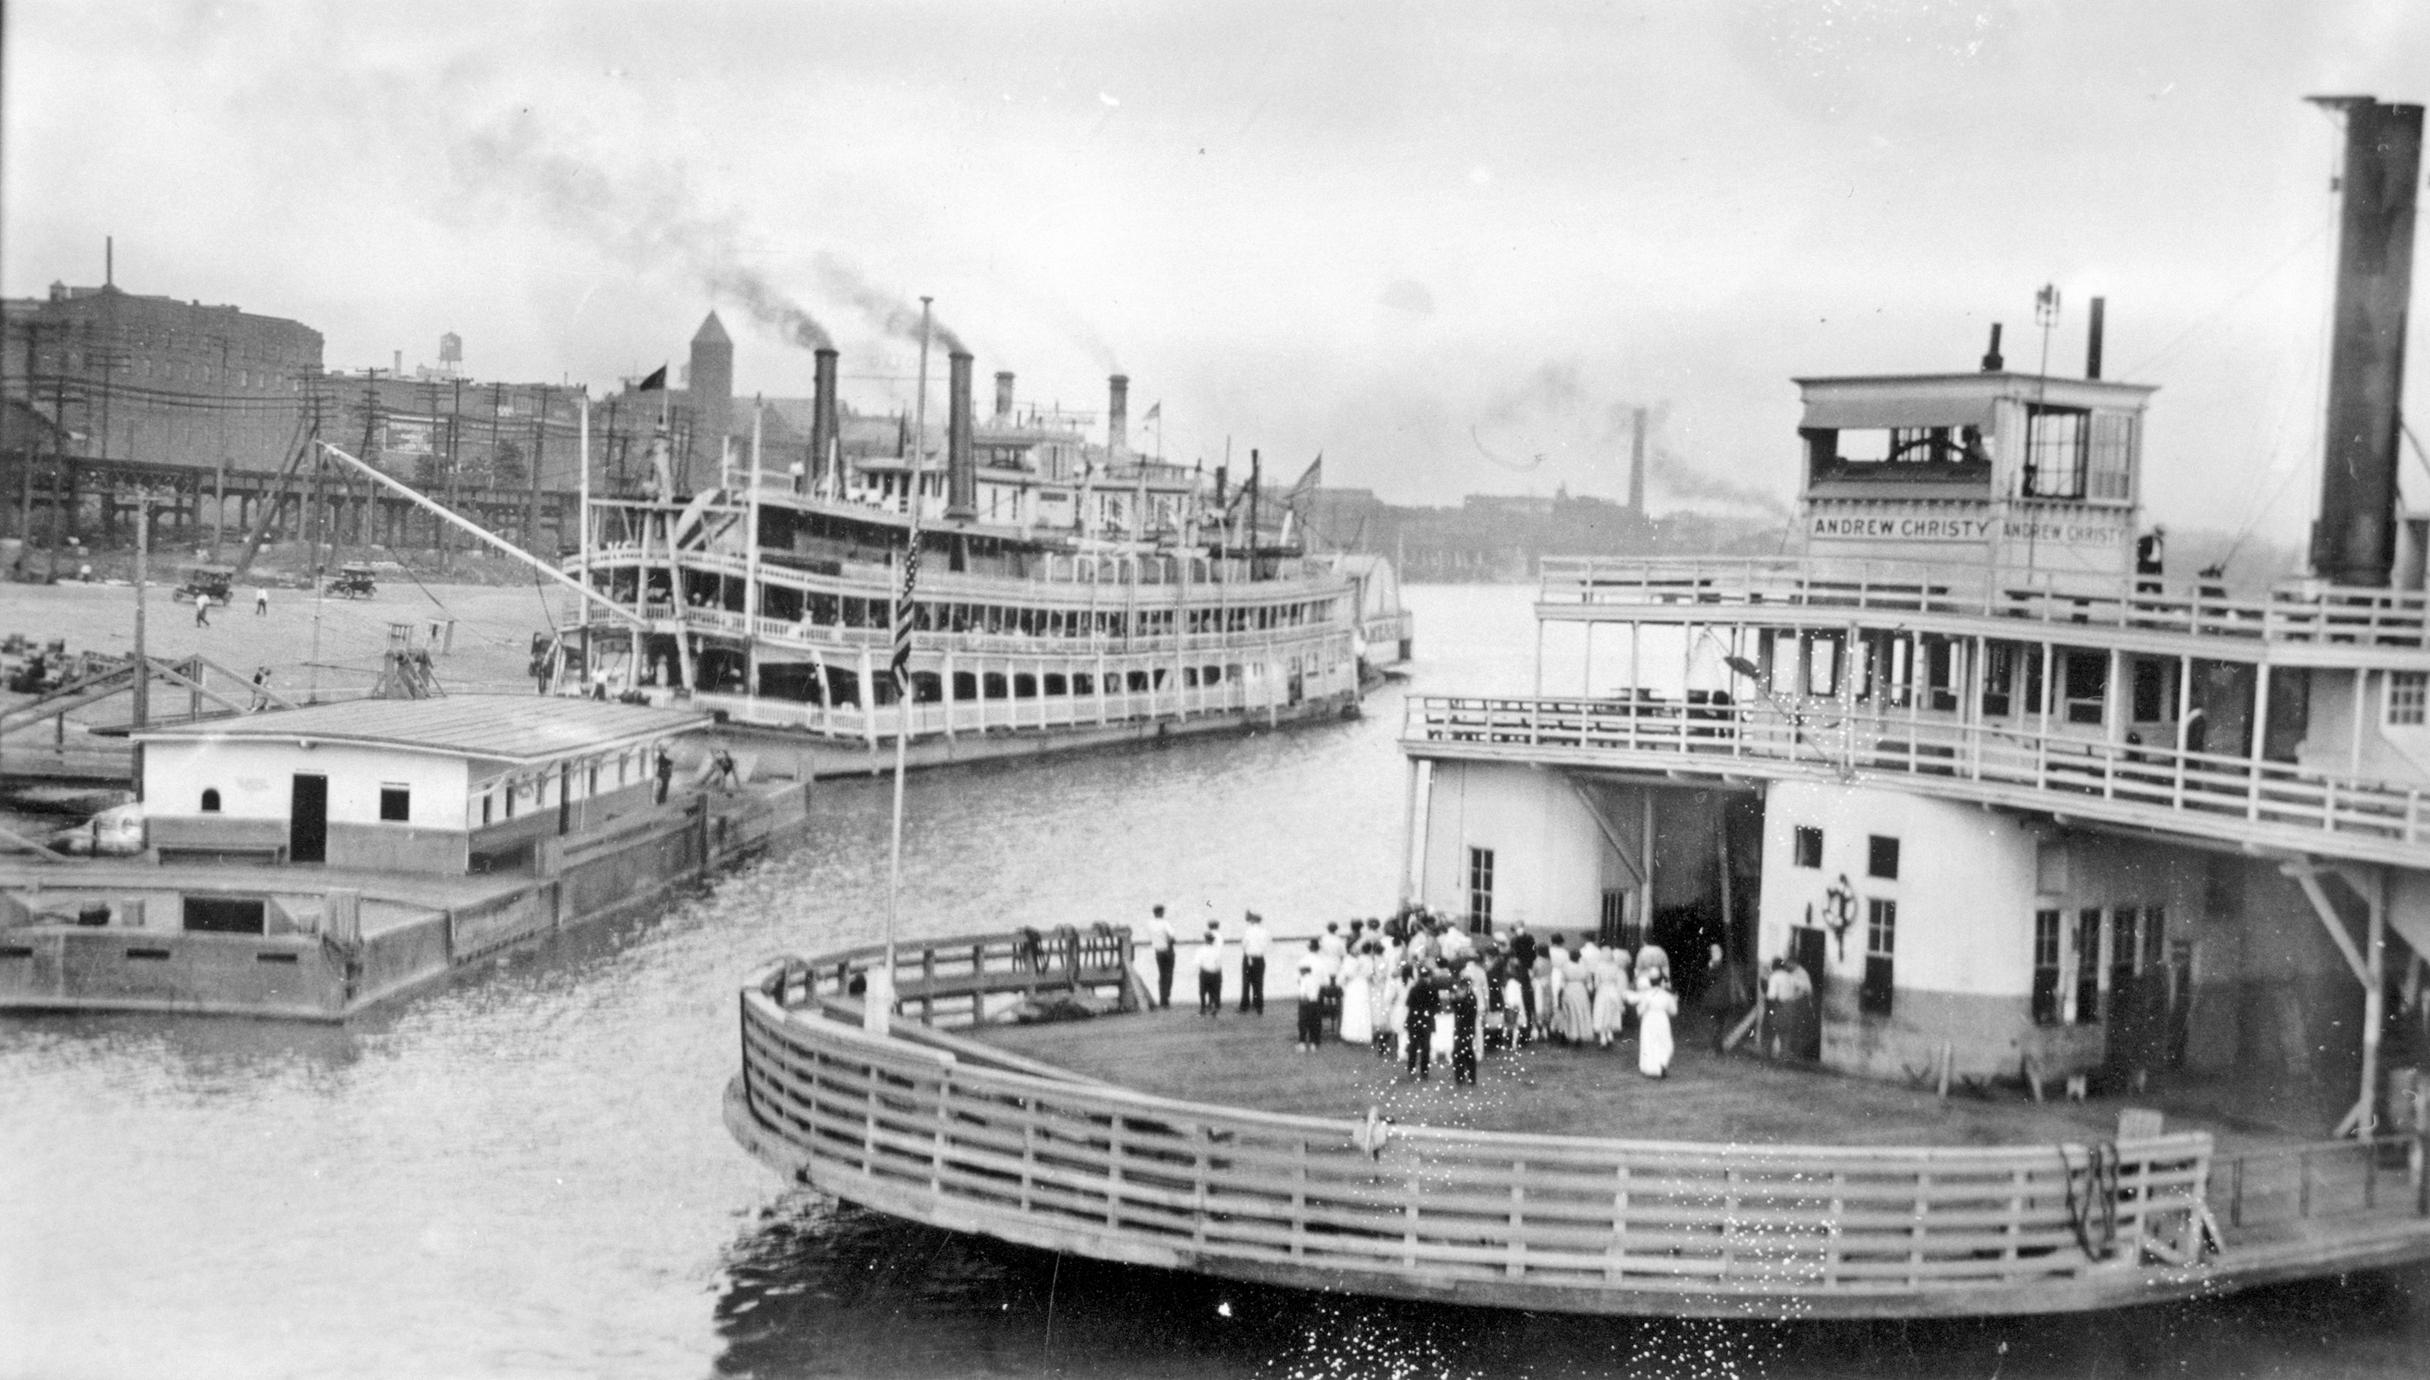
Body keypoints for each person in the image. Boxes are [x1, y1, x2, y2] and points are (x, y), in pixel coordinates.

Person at [1631, 976, 1680, 1078]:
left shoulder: (1646, 995)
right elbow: (1673, 1011)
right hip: (1662, 1019)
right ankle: (1661, 1064)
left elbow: (1640, 1010)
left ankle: (1651, 1068)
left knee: (1649, 1042)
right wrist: (1674, 1001)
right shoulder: (1667, 995)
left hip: (1649, 1019)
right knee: (1664, 1042)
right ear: (1661, 983)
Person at [1403, 964, 1440, 1080]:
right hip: (1427, 1021)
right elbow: (1437, 1006)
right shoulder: (1433, 989)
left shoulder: (1414, 989)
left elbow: (1408, 1003)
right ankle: (1424, 1071)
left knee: (1413, 1046)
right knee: (1426, 1047)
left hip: (1413, 1020)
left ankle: (1411, 1069)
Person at [1339, 943, 1375, 1049]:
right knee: (1358, 1009)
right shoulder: (1368, 960)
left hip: (1355, 985)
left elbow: (1349, 973)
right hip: (1361, 985)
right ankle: (1359, 1035)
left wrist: (1344, 980)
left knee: (1356, 1009)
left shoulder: (1356, 960)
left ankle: (1353, 1034)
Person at [1557, 947, 1594, 1044]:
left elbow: (1562, 981)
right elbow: (1589, 983)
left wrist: (1560, 993)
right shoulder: (1584, 966)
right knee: (1580, 1013)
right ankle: (1579, 1035)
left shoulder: (1566, 966)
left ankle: (1567, 1034)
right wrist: (1590, 992)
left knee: (1569, 1013)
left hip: (1569, 989)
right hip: (1581, 990)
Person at [1295, 941, 1326, 1053]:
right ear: (1318, 949)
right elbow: (1325, 980)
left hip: (1304, 994)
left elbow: (1298, 978)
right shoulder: (1321, 962)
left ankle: (1302, 1041)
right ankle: (1314, 1042)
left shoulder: (1303, 960)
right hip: (1316, 993)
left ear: (1309, 948)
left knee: (1303, 1019)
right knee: (1316, 1019)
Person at [1449, 977, 1480, 1085]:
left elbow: (1461, 1012)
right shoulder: (1469, 998)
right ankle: (1469, 1079)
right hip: (1464, 1029)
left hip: (1465, 1030)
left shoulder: (1470, 999)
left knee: (1460, 1054)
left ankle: (1461, 1078)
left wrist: (1455, 1001)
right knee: (1467, 1053)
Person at [1238, 911, 1270, 1015]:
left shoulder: (1248, 931)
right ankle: (1258, 1005)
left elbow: (1243, 945)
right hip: (1260, 958)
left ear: (1252, 920)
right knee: (1259, 983)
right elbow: (1268, 945)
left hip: (1249, 958)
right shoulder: (1265, 931)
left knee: (1246, 983)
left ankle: (1244, 1006)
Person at [1148, 904, 1177, 1009]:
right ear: (1160, 912)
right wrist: (1170, 945)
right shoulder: (1165, 923)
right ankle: (1166, 998)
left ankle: (1162, 998)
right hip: (1167, 951)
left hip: (1158, 951)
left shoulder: (1150, 924)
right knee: (1169, 975)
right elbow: (1172, 937)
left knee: (1161, 975)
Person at [1194, 927, 1226, 1016]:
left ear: (1205, 940)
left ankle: (1203, 1009)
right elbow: (1219, 963)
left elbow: (1197, 963)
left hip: (1205, 973)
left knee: (1203, 992)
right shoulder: (1217, 950)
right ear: (1213, 940)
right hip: (1216, 973)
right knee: (1215, 991)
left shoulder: (1200, 950)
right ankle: (1215, 1007)